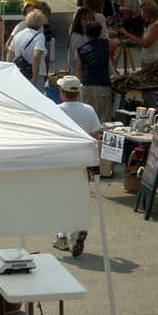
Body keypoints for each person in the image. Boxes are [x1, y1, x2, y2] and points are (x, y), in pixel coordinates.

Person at [53, 75, 102, 258]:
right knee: (78, 199)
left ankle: (61, 235)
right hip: (82, 161)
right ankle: (76, 230)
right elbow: (95, 138)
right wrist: (94, 163)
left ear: (62, 92)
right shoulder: (88, 110)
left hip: (61, 161)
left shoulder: (56, 110)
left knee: (59, 200)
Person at [75, 22, 114, 122]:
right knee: (104, 120)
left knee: (87, 120)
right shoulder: (106, 44)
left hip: (86, 86)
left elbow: (78, 71)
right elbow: (117, 42)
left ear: (86, 33)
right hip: (103, 86)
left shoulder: (80, 50)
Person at [8, 9, 48, 92]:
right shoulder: (39, 36)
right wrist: (34, 76)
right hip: (35, 73)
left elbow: (11, 54)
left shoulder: (18, 34)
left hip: (20, 72)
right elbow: (36, 56)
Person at [122, 0, 158, 65]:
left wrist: (127, 34)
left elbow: (145, 44)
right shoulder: (151, 24)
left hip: (155, 63)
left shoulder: (157, 25)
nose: (142, 15)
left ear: (149, 13)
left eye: (143, 13)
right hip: (149, 61)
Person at [68, 7, 97, 73]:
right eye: (84, 19)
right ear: (79, 21)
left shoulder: (88, 34)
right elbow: (78, 59)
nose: (88, 22)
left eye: (90, 19)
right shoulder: (77, 36)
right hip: (80, 74)